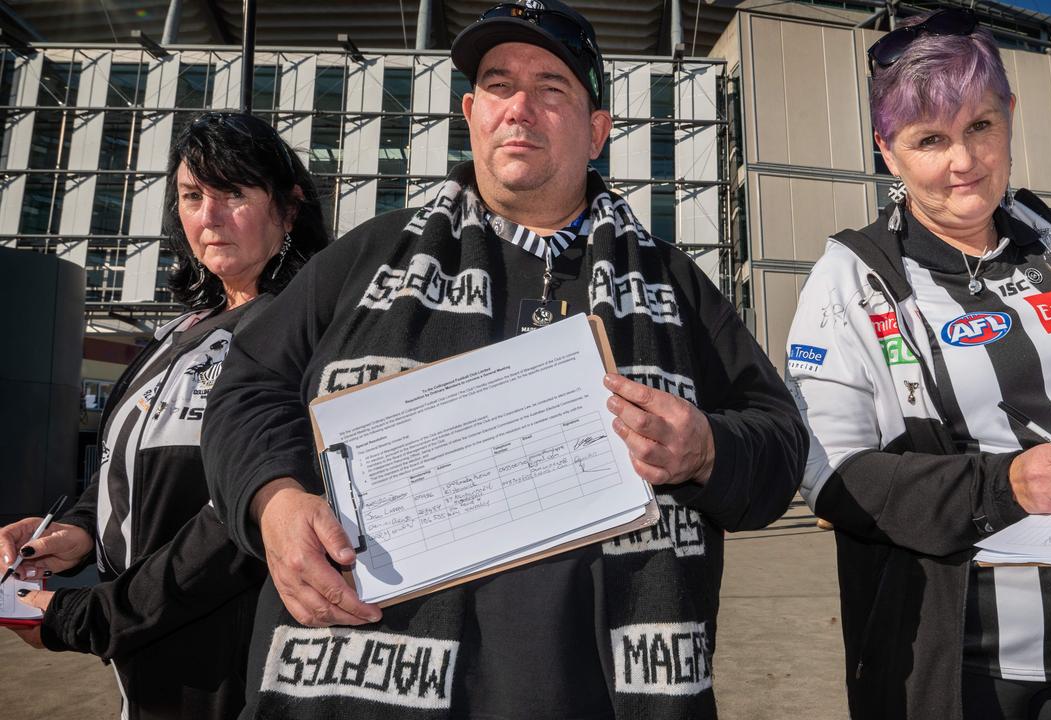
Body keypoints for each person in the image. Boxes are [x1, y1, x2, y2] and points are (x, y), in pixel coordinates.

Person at [200, 2, 806, 718]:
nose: (520, 107)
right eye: (497, 85)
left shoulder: (674, 286)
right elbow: (245, 392)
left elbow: (779, 437)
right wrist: (274, 500)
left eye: (552, 88)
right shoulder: (365, 261)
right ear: (470, 113)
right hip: (366, 684)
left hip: (604, 694)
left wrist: (707, 449)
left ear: (598, 130)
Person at [786, 9, 1051, 720]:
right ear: (889, 152)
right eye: (930, 140)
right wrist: (1002, 485)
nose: (964, 162)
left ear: (1010, 116)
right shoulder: (851, 277)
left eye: (981, 126)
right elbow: (833, 479)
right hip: (954, 657)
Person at [0, 111, 330, 719]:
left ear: (288, 208)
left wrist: (96, 617)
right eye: (192, 195)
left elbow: (240, 525)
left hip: (235, 675)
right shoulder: (180, 332)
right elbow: (122, 467)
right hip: (147, 673)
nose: (209, 215)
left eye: (234, 192)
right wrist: (72, 531)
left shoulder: (307, 333)